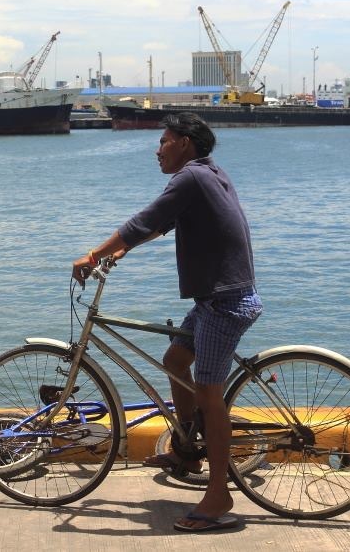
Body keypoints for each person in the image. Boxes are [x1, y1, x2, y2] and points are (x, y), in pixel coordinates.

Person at [71, 112, 262, 534]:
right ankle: (186, 450)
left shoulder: (190, 178)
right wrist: (122, 251)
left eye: (164, 141)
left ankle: (218, 494)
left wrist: (95, 253)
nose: (157, 149)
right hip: (219, 297)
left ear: (185, 144)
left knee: (212, 399)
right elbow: (168, 221)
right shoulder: (208, 173)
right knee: (175, 361)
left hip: (224, 304)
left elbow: (146, 219)